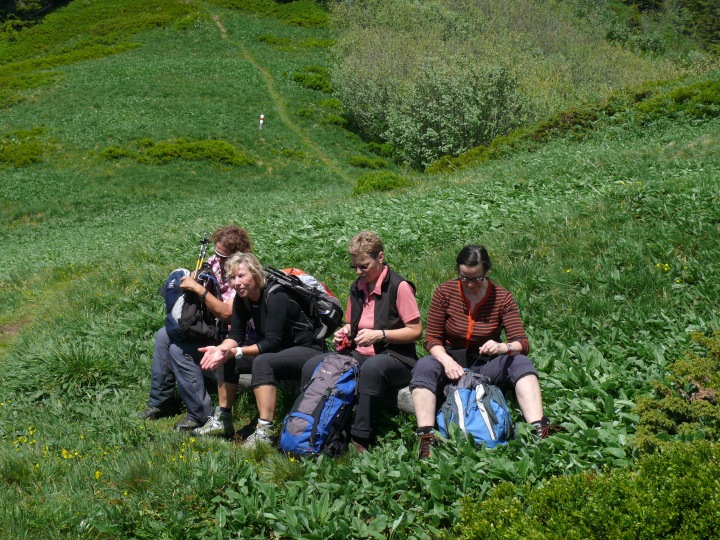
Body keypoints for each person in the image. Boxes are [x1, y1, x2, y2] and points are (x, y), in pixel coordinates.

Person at [410, 244, 550, 459]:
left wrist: (504, 347)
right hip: (451, 362)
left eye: (477, 278)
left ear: (486, 272)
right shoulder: (444, 292)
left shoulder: (502, 297)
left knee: (521, 363)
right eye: (464, 277)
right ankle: (426, 438)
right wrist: (446, 361)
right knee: (424, 365)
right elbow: (431, 339)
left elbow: (522, 342)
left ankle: (539, 430)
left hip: (486, 364)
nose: (470, 284)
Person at [301, 231, 422, 453]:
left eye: (364, 266)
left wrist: (380, 334)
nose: (358, 271)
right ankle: (310, 425)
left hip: (396, 357)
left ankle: (360, 438)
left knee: (372, 368)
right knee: (316, 364)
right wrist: (345, 331)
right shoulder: (357, 287)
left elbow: (415, 331)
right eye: (354, 267)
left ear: (381, 257)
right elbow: (353, 324)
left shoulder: (399, 287)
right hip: (360, 352)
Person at [196, 252, 324, 444]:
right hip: (280, 351)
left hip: (307, 350)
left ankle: (265, 431)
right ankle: (223, 419)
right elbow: (236, 335)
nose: (236, 282)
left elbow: (272, 342)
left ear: (255, 275)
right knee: (226, 357)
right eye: (232, 277)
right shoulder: (243, 297)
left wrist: (237, 351)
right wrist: (222, 350)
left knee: (263, 362)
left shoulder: (276, 295)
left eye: (241, 276)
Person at [138, 226, 252, 431]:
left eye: (222, 256)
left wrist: (199, 290)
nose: (217, 259)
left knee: (179, 349)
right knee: (164, 335)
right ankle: (161, 402)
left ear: (237, 255)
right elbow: (199, 274)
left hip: (236, 338)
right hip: (215, 330)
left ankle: (199, 414)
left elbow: (227, 313)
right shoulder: (216, 263)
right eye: (216, 253)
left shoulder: (244, 273)